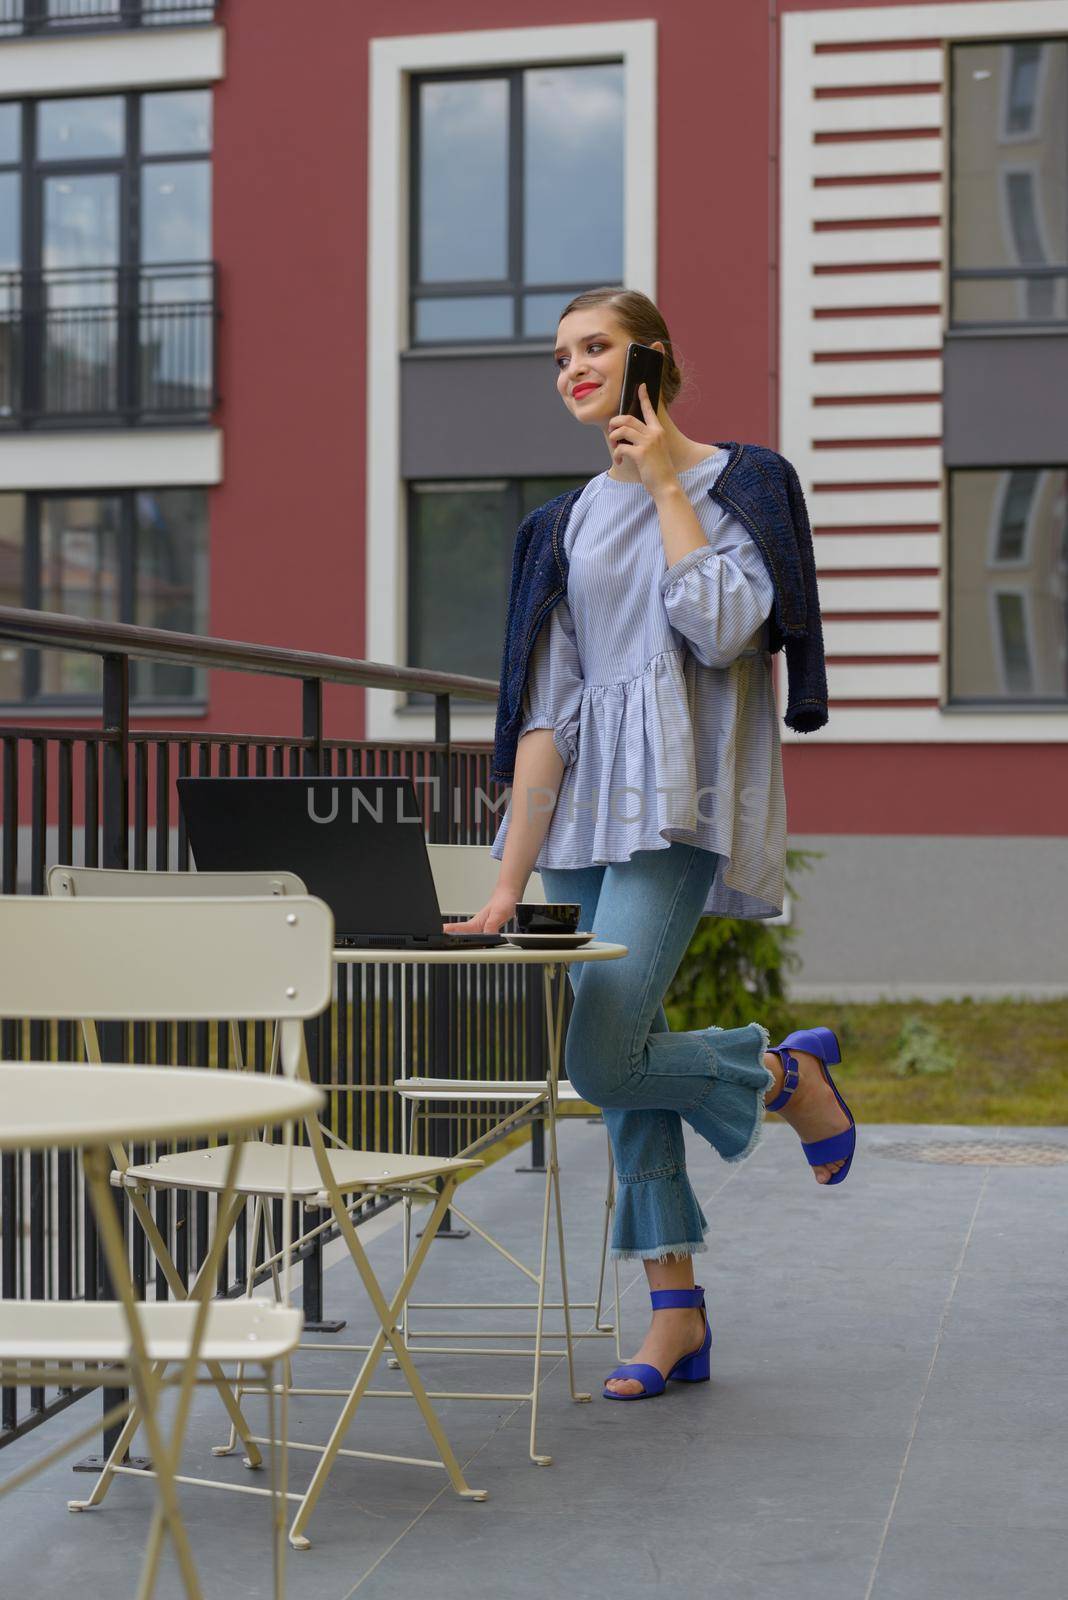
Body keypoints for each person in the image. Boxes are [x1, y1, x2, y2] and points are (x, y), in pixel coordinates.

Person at [444, 288, 855, 1401]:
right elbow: (544, 715)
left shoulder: (745, 483)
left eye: (596, 349)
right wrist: (504, 883)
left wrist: (666, 477)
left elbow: (726, 627)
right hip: (580, 810)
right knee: (624, 1070)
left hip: (676, 799)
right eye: (561, 354)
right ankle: (676, 1313)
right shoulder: (561, 524)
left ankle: (781, 1071)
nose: (573, 369)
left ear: (650, 361)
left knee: (600, 1054)